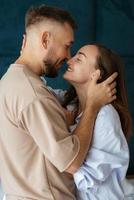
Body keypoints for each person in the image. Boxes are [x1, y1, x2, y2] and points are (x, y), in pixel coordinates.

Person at [0, 5, 117, 200]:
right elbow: (71, 162)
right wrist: (92, 106)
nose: (69, 56)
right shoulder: (33, 95)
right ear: (45, 39)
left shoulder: (9, 82)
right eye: (67, 45)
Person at [61, 44, 134, 200]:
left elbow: (88, 178)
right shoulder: (71, 106)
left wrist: (64, 135)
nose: (69, 60)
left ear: (96, 75)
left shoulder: (106, 117)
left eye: (79, 59)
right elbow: (38, 95)